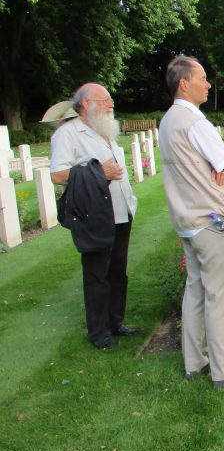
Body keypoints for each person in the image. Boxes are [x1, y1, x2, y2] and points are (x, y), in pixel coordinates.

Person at [159, 55, 224, 388]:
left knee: (197, 292)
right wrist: (223, 171)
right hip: (213, 220)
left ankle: (194, 362)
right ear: (184, 83)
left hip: (188, 220)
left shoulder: (168, 121)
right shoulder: (195, 122)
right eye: (202, 78)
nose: (208, 84)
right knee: (223, 296)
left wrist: (213, 169)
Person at [49, 84, 141, 349]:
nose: (111, 104)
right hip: (95, 214)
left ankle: (115, 322)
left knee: (118, 272)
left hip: (121, 211)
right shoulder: (68, 134)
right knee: (97, 275)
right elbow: (58, 175)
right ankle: (98, 332)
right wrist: (100, 174)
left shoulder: (104, 131)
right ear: (86, 103)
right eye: (105, 100)